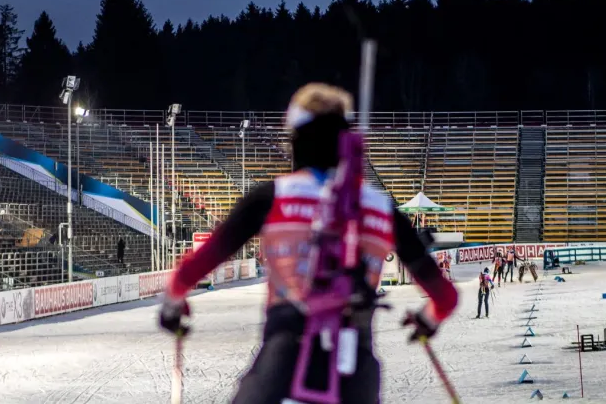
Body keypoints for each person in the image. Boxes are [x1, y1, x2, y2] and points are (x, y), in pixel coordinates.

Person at [157, 83, 458, 404]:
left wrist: (173, 305)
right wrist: (427, 321)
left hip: (286, 359)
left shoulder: (273, 196)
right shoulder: (380, 206)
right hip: (355, 369)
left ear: (295, 139)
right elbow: (445, 297)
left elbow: (194, 268)